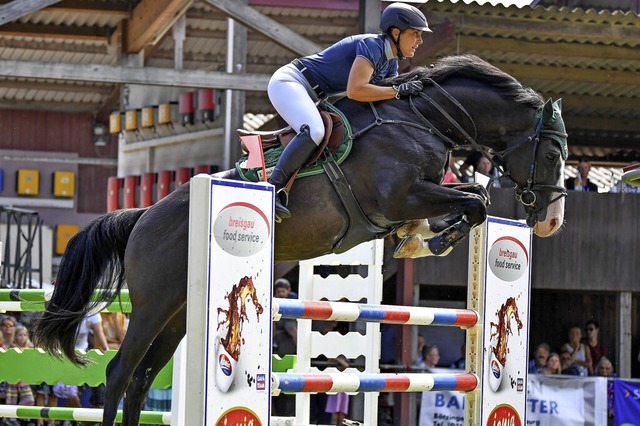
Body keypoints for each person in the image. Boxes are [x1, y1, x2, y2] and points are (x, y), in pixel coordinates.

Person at [266, 2, 431, 220]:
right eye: (415, 34)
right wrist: (398, 91)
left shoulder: (390, 64)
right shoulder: (372, 45)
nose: (420, 41)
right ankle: (271, 190)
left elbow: (380, 99)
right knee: (314, 131)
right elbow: (356, 91)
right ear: (396, 32)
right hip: (290, 82)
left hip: (313, 94)